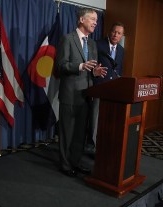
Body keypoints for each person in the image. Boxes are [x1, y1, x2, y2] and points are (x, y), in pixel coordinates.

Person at [55, 8, 107, 177]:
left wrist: (95, 72)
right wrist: (79, 66)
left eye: (97, 20)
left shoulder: (92, 44)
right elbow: (60, 66)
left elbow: (90, 68)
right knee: (67, 133)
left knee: (79, 135)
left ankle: (75, 162)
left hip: (86, 95)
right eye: (92, 19)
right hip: (70, 95)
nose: (95, 23)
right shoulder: (67, 39)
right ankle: (65, 165)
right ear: (81, 19)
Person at [86, 22, 125, 153]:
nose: (115, 35)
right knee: (95, 119)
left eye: (119, 33)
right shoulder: (97, 44)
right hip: (99, 87)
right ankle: (91, 147)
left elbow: (119, 70)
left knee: (109, 119)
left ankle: (103, 145)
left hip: (113, 90)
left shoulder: (121, 50)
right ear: (110, 32)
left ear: (122, 36)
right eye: (114, 31)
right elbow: (91, 65)